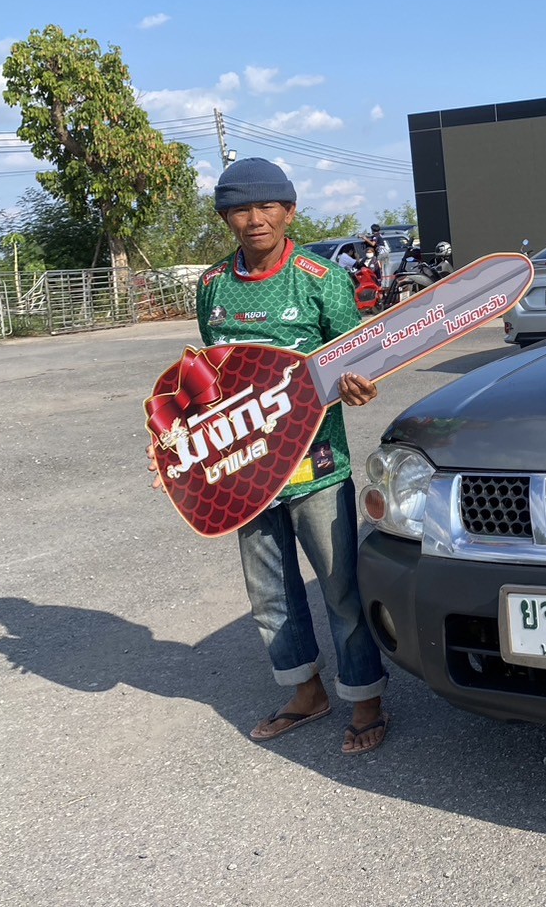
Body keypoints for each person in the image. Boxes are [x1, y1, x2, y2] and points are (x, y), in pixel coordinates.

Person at [156, 157, 389, 755]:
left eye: (267, 206)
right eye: (240, 209)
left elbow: (355, 360)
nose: (254, 219)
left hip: (317, 466)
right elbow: (213, 385)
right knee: (269, 593)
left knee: (340, 589)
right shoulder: (213, 284)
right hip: (245, 474)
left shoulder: (321, 279)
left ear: (289, 211)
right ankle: (305, 692)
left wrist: (359, 387)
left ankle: (365, 698)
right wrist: (182, 454)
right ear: (225, 217)